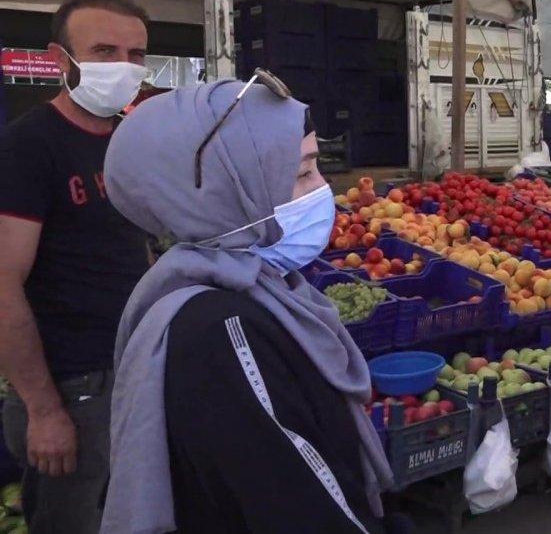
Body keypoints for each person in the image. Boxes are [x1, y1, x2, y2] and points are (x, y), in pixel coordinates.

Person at [99, 75, 391, 533]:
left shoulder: (263, 289)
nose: (325, 189)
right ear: (224, 191)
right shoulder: (224, 334)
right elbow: (303, 512)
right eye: (302, 174)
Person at [0, 0, 152, 532]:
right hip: (74, 387)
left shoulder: (128, 141)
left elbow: (132, 242)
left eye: (135, 55)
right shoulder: (27, 147)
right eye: (104, 51)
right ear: (59, 59)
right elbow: (2, 284)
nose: (123, 67)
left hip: (131, 367)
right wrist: (44, 410)